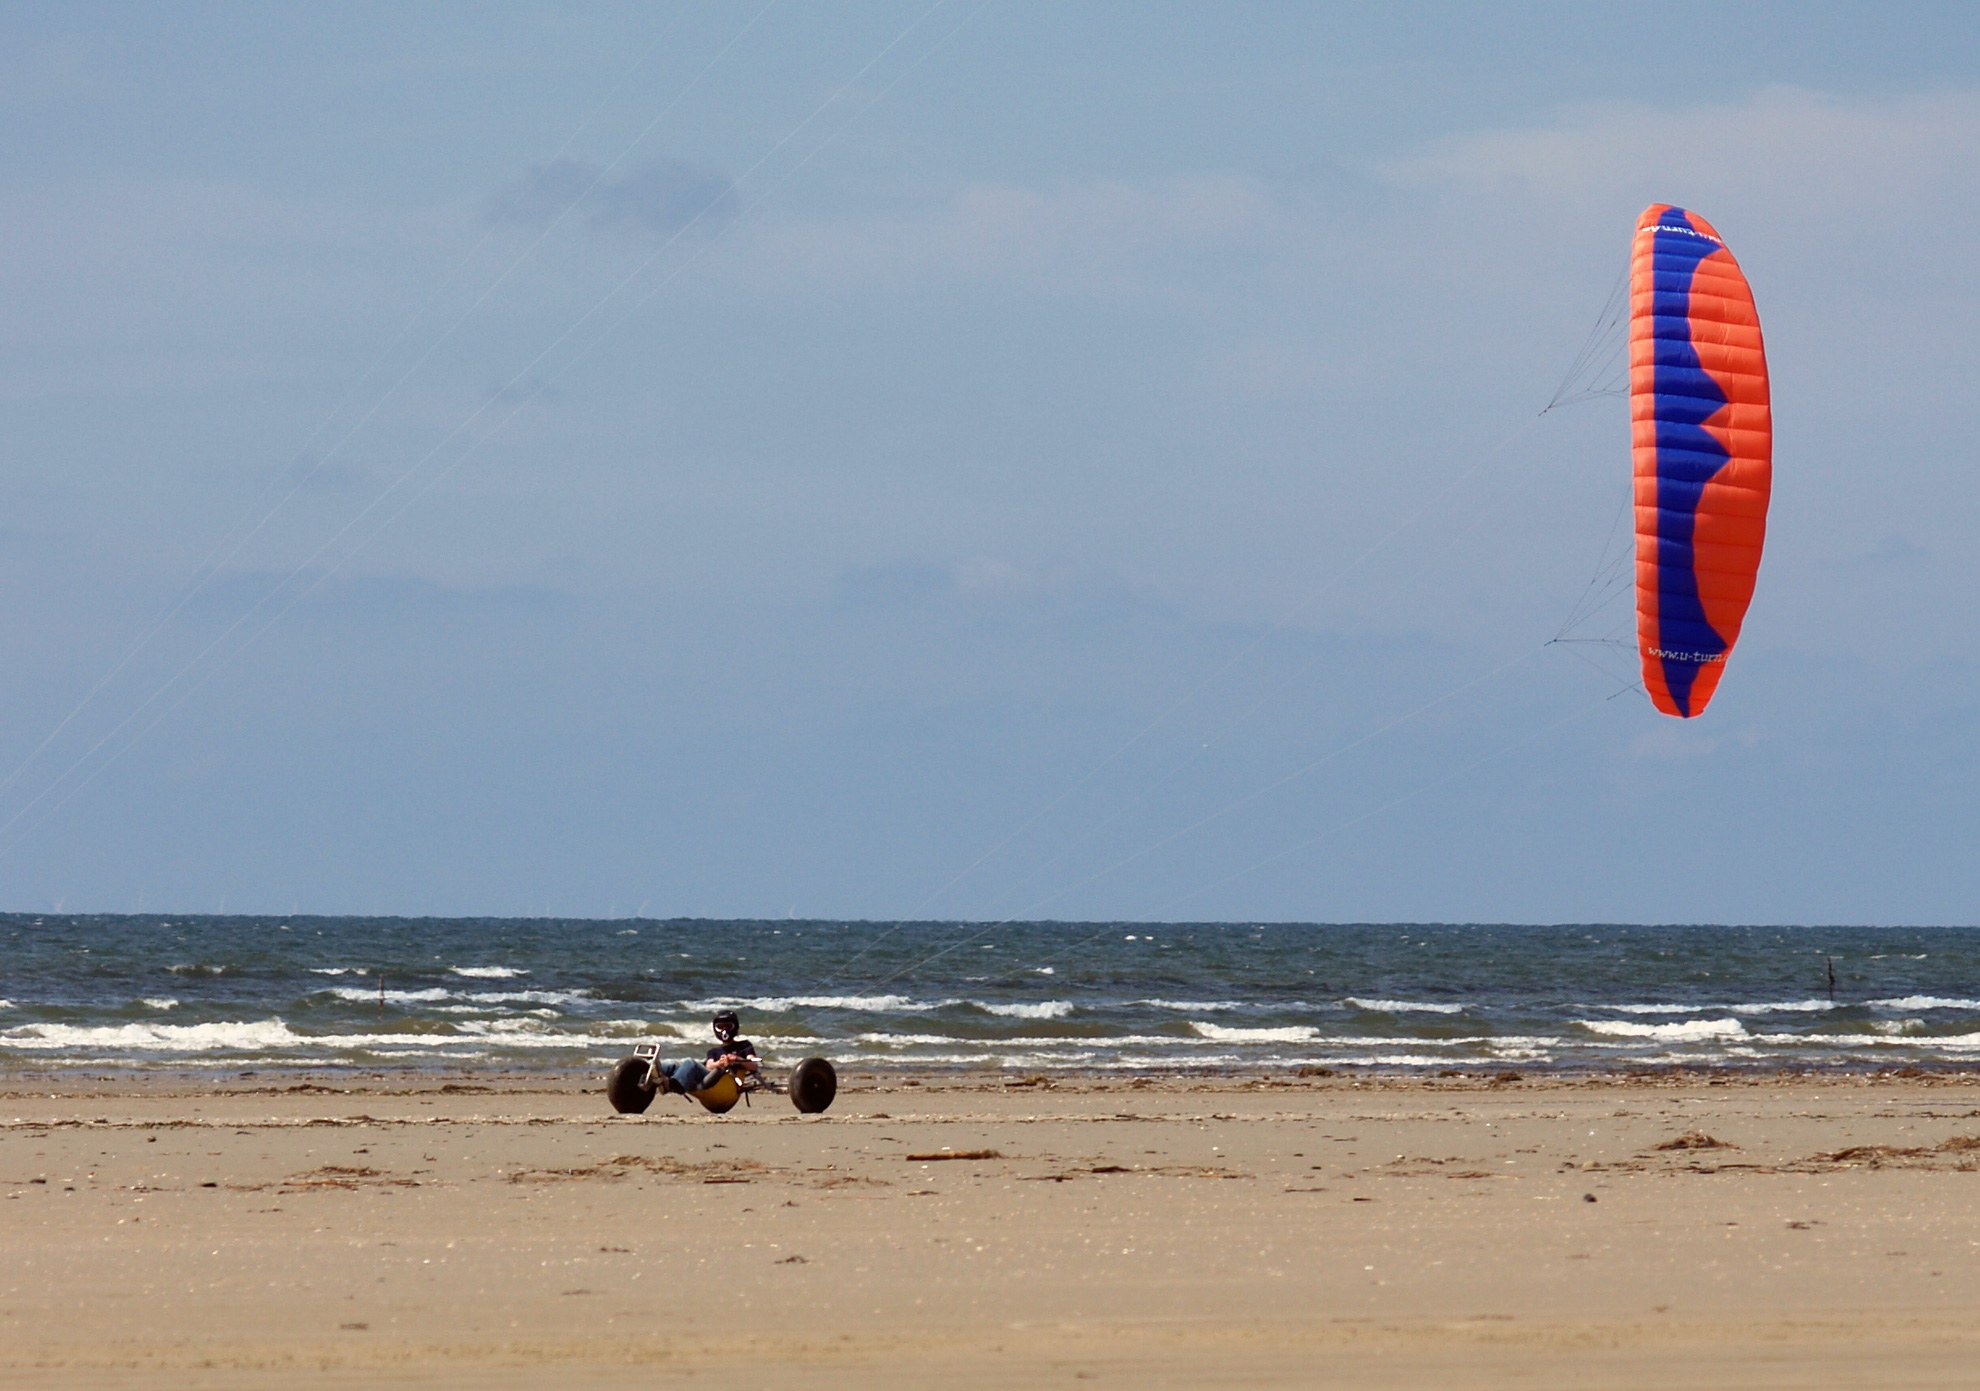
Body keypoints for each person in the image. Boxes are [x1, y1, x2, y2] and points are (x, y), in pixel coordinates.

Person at [650, 1009, 760, 1095]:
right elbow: (709, 1064)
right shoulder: (714, 1051)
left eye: (728, 1026)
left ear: (735, 1027)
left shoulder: (744, 1045)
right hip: (706, 1075)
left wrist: (737, 1059)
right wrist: (720, 1063)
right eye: (720, 1027)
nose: (724, 1030)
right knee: (671, 1064)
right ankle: (649, 1074)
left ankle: (675, 1084)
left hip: (718, 1081)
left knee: (690, 1063)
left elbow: (753, 1065)